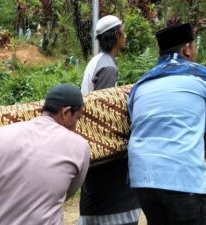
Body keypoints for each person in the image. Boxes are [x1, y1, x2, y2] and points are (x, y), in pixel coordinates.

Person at [127, 22, 206, 225]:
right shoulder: (203, 75)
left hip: (142, 179)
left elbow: (135, 123)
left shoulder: (140, 84)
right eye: (194, 47)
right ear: (187, 49)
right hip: (182, 178)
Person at [0, 84, 90, 225]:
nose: (76, 126)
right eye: (77, 118)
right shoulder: (79, 146)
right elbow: (65, 194)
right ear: (66, 112)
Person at [79, 15, 140, 225]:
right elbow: (105, 112)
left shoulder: (97, 61)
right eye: (123, 31)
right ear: (116, 35)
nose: (126, 35)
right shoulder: (108, 68)